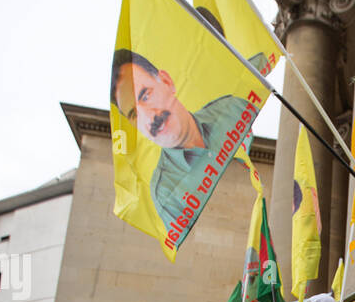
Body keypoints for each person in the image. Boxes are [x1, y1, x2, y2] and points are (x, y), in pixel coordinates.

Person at [110, 49, 258, 231]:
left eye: (146, 96)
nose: (149, 118)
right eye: (134, 115)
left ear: (166, 81)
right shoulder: (165, 195)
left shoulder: (231, 109)